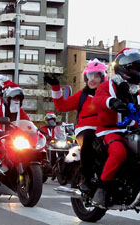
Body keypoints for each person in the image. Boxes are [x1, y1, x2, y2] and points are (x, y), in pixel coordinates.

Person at [92, 48, 140, 207]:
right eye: (134, 68)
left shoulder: (136, 91)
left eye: (139, 69)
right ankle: (102, 189)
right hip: (110, 130)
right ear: (124, 67)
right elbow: (97, 100)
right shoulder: (108, 86)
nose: (137, 72)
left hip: (132, 131)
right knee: (118, 152)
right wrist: (111, 102)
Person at [44, 58, 107, 192]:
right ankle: (86, 178)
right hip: (85, 128)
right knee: (88, 140)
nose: (93, 79)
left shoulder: (109, 94)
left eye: (96, 76)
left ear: (103, 77)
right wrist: (56, 87)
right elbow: (61, 106)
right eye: (90, 76)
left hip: (105, 129)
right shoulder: (82, 95)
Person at [0, 81, 30, 183]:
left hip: (16, 137)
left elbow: (27, 122)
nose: (16, 101)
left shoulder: (21, 111)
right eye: (14, 98)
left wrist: (34, 130)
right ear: (8, 99)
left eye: (18, 98)